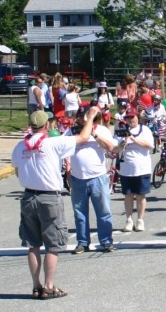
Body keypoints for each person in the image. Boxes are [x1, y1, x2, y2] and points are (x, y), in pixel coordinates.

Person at [11, 107, 100, 300]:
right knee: (53, 244)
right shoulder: (53, 143)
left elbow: (18, 171)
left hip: (28, 196)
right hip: (49, 197)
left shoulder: (20, 147)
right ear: (46, 125)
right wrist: (91, 117)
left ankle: (36, 286)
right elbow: (83, 137)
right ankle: (49, 286)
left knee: (33, 245)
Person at [64, 103, 116, 254]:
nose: (81, 119)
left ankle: (106, 241)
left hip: (97, 177)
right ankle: (82, 242)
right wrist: (67, 166)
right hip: (77, 178)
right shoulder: (71, 132)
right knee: (80, 212)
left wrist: (94, 134)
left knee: (103, 211)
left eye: (84, 116)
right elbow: (63, 149)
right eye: (79, 116)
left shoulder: (101, 130)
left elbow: (110, 147)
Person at [112, 107, 154, 232]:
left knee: (141, 195)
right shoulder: (120, 131)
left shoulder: (144, 129)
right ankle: (129, 220)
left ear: (137, 117)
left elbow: (150, 146)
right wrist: (122, 144)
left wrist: (134, 139)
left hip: (142, 168)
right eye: (128, 118)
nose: (131, 120)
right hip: (126, 169)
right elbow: (115, 149)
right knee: (128, 195)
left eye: (133, 117)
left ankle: (140, 220)